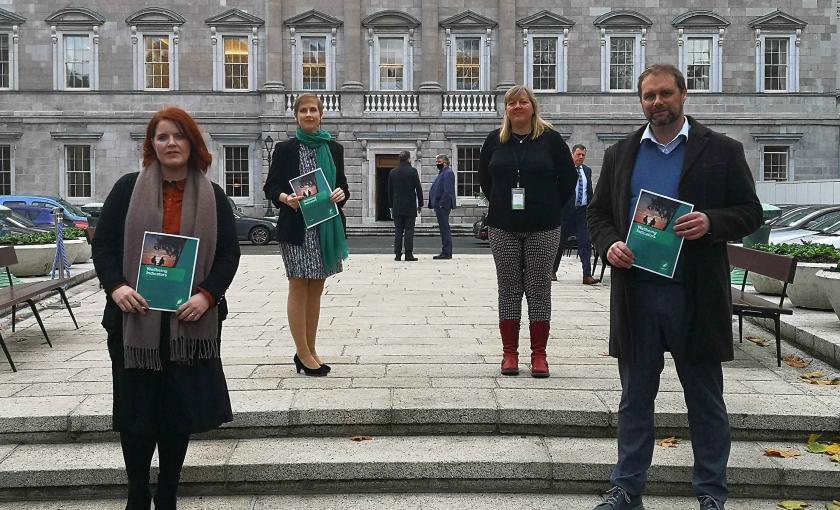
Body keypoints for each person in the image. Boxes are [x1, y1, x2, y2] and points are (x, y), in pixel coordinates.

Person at [586, 64, 762, 510]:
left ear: (684, 95)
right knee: (634, 401)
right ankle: (627, 488)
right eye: (649, 96)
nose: (657, 102)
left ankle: (710, 493)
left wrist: (711, 222)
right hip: (638, 295)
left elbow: (750, 212)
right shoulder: (621, 153)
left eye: (665, 94)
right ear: (640, 102)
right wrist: (610, 246)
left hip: (695, 297)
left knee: (705, 402)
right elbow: (598, 215)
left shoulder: (722, 150)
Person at [92, 106, 241, 510]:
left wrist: (208, 295)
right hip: (133, 319)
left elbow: (229, 254)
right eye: (162, 137)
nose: (171, 143)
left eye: (179, 136)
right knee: (137, 412)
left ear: (193, 144)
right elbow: (102, 246)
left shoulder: (213, 196)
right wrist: (116, 287)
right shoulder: (127, 189)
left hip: (188, 320)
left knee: (177, 413)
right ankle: (138, 490)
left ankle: (169, 490)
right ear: (151, 145)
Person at [478, 85, 577, 377]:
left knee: (538, 289)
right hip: (503, 226)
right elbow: (486, 180)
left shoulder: (551, 140)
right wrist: (501, 203)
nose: (518, 107)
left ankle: (539, 355)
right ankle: (509, 354)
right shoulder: (494, 141)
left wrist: (547, 204)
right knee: (508, 289)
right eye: (512, 103)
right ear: (506, 110)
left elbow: (568, 179)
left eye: (523, 102)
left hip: (543, 226)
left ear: (533, 107)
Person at [263, 93, 349, 377]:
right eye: (304, 111)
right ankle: (302, 352)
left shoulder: (334, 149)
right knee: (299, 285)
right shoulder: (286, 149)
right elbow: (271, 186)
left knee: (317, 289)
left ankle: (310, 349)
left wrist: (341, 193)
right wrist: (285, 198)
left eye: (314, 110)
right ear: (296, 116)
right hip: (297, 228)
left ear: (321, 115)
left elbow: (342, 187)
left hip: (325, 226)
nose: (309, 115)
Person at [552, 144, 597, 284]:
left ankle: (587, 275)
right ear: (572, 154)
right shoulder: (564, 170)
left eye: (583, 155)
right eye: (578, 154)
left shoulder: (587, 171)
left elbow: (589, 191)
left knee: (585, 242)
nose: (581, 157)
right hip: (565, 213)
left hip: (582, 212)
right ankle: (552, 272)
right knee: (559, 243)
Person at [387, 150, 423, 261]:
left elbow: (389, 191)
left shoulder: (393, 172)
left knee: (398, 231)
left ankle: (397, 255)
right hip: (410, 206)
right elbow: (418, 189)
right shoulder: (413, 171)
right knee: (409, 231)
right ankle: (408, 254)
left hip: (397, 206)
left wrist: (391, 206)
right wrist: (420, 204)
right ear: (408, 159)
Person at [428, 154, 455, 259]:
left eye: (439, 162)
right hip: (440, 205)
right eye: (436, 162)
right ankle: (445, 251)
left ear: (445, 162)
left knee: (445, 229)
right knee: (443, 229)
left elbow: (448, 191)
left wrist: (441, 205)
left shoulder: (448, 173)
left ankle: (447, 252)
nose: (437, 164)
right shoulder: (442, 173)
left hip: (443, 206)